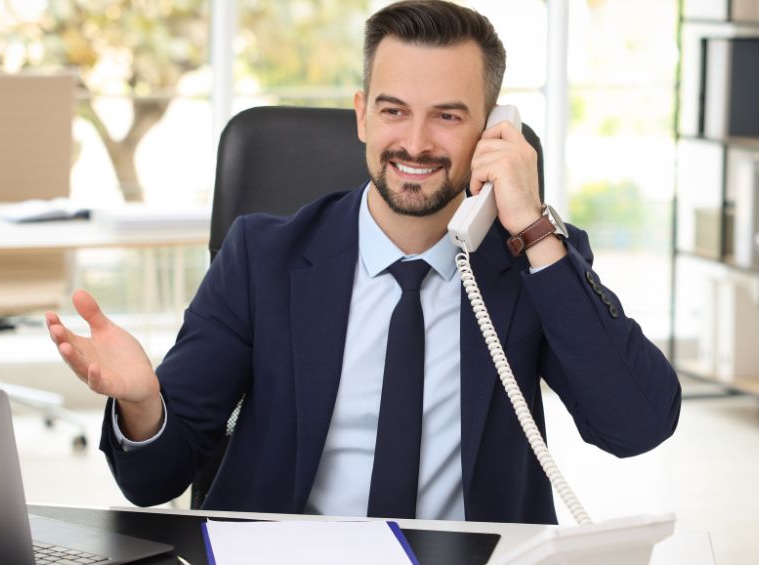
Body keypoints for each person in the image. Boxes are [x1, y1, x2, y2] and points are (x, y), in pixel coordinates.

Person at [46, 0, 681, 524]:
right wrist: (142, 405)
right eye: (394, 110)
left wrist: (535, 230)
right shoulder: (262, 258)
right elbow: (154, 479)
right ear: (362, 116)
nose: (415, 142)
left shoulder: (531, 261)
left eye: (448, 116)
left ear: (491, 129)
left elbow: (637, 426)